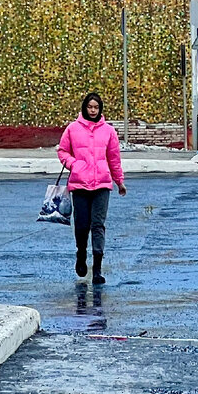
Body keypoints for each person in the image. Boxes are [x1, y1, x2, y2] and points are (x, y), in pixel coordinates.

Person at [56, 92, 125, 285]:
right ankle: (81, 254)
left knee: (98, 225)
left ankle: (97, 269)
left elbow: (114, 159)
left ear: (100, 109)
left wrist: (119, 181)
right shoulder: (72, 129)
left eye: (96, 107)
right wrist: (73, 164)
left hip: (102, 184)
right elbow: (62, 151)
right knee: (82, 225)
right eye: (90, 107)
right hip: (79, 184)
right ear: (84, 108)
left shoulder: (109, 131)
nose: (93, 111)